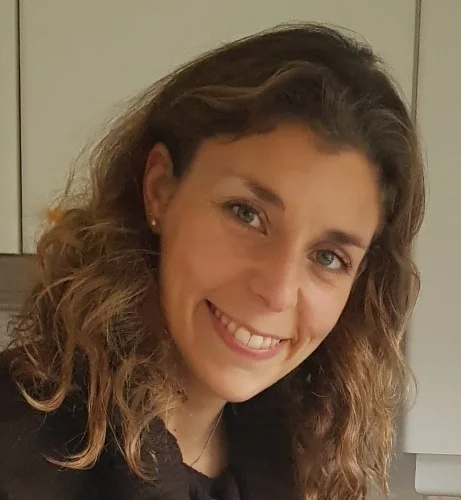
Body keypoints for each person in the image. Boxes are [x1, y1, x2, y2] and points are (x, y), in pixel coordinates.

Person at [0, 23, 425, 500]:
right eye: (247, 214)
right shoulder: (17, 452)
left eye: (328, 257)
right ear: (160, 189)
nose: (278, 291)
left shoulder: (294, 458)